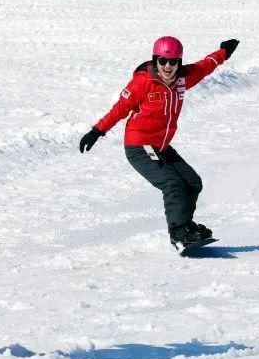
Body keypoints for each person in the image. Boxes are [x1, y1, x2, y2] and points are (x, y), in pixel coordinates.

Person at [79, 36, 239, 251]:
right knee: (172, 184)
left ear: (178, 63)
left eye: (173, 62)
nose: (167, 67)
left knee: (192, 182)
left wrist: (223, 53)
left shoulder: (182, 79)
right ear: (155, 60)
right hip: (140, 145)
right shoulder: (143, 82)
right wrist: (97, 131)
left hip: (160, 146)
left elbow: (204, 67)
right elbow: (120, 109)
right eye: (162, 61)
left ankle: (186, 226)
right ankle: (178, 233)